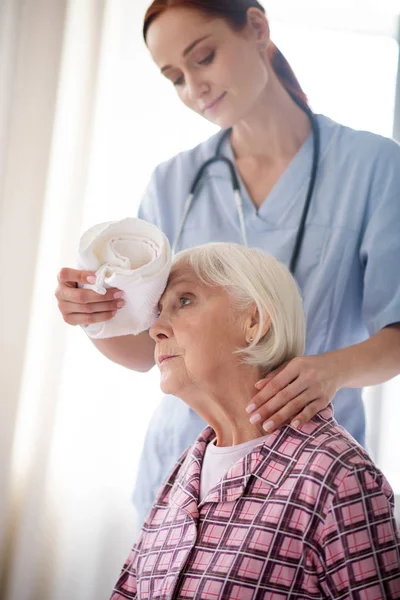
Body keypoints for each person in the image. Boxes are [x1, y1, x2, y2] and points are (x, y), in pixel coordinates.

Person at [55, 0, 400, 526]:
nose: (193, 88)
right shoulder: (175, 183)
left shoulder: (374, 168)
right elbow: (147, 348)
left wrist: (332, 371)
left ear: (257, 27)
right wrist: (96, 316)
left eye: (204, 57)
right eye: (174, 77)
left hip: (304, 475)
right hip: (182, 472)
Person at [111, 243, 400, 600]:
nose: (156, 330)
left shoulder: (338, 475)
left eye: (184, 300)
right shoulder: (183, 474)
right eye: (157, 312)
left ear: (254, 322)